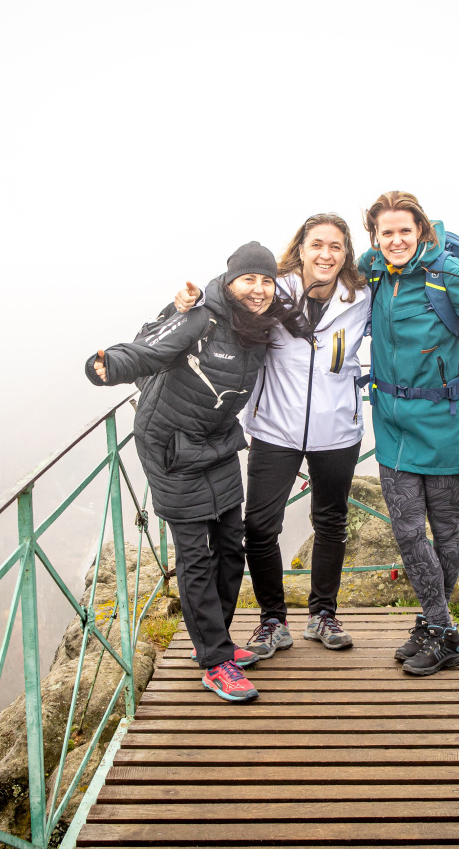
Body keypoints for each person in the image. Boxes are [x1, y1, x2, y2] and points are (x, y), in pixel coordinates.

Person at [85, 242, 305, 701]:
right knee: (196, 556)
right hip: (169, 446)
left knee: (230, 547)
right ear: (229, 281)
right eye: (248, 279)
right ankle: (215, 661)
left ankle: (214, 640)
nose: (259, 289)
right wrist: (106, 365)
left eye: (266, 280)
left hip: (218, 443)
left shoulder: (258, 326)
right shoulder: (201, 318)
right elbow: (148, 350)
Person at [172, 214, 372, 659]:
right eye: (316, 244)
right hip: (274, 426)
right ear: (300, 248)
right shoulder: (274, 289)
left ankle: (323, 614)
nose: (325, 254)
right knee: (260, 527)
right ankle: (272, 621)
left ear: (346, 253)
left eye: (335, 246)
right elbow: (228, 292)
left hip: (338, 428)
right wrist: (191, 298)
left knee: (331, 522)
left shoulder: (362, 297)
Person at [357, 190, 459, 676]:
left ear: (421, 230)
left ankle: (434, 629)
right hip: (392, 421)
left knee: (446, 534)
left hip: (447, 420)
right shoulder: (374, 271)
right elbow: (321, 277)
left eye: (405, 231)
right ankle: (442, 629)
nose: (396, 240)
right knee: (408, 532)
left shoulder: (449, 273)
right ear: (375, 237)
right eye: (387, 233)